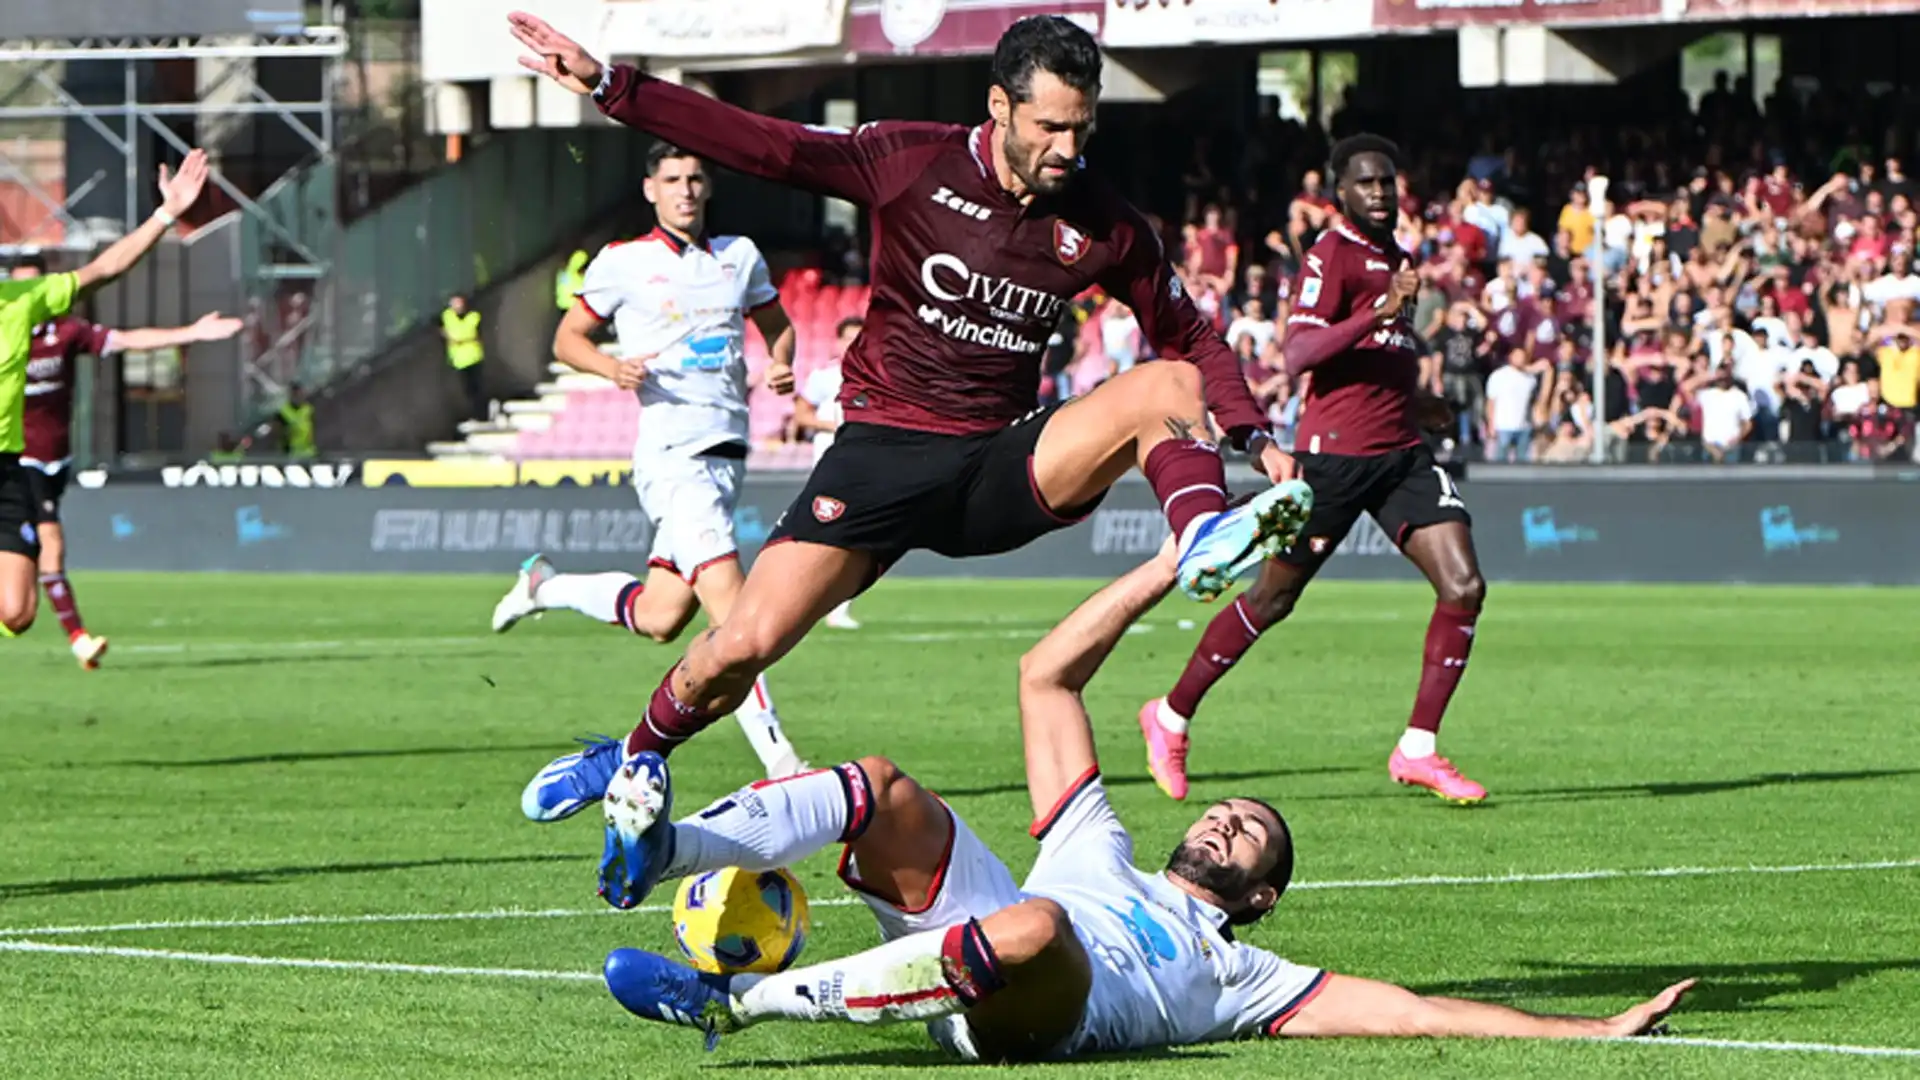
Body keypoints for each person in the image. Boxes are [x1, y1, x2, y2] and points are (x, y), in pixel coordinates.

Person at [507, 11, 1309, 824]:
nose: (1070, 148)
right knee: (739, 646)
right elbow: (764, 143)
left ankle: (1205, 533)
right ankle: (636, 755)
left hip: (998, 465)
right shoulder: (908, 160)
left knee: (1166, 380)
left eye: (1083, 126)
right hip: (883, 455)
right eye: (1051, 126)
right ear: (999, 106)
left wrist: (1255, 436)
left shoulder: (1104, 223)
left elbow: (1192, 337)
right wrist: (616, 88)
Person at [591, 546, 1696, 1057]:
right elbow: (1046, 675)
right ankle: (665, 843)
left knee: (1036, 923)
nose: (1225, 818)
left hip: (1036, 1002)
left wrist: (1587, 1027)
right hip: (978, 935)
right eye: (1228, 809)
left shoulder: (1247, 974)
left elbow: (1414, 1012)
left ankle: (732, 1005)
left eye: (1251, 833)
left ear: (1261, 897)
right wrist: (1175, 562)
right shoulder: (1101, 845)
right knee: (884, 786)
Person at [1141, 135, 1496, 806]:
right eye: (1366, 183)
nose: (1381, 193)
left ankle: (1417, 748)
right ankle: (1170, 716)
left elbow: (1377, 354)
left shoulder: (1399, 260)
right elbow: (1300, 351)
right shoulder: (1330, 255)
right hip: (1333, 460)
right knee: (1271, 601)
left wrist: (1418, 402)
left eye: (1388, 182)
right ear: (1341, 194)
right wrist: (1378, 309)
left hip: (1401, 457)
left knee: (1464, 584)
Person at [491, 143, 808, 783]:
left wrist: (779, 361)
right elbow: (567, 338)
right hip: (673, 459)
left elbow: (779, 326)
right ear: (650, 190)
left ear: (707, 186)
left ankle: (543, 587)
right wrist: (612, 366)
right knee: (738, 617)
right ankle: (782, 760)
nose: (685, 189)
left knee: (662, 617)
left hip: (724, 460)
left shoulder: (738, 257)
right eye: (672, 180)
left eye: (695, 178)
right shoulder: (623, 264)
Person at [1, 149, 212, 642]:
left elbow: (103, 269)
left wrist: (165, 214)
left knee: (17, 613)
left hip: (8, 469)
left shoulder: (21, 303)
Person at [8, 250, 241, 667]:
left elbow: (127, 340)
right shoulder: (7, 325)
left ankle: (74, 635)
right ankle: (78, 637)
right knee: (52, 544)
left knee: (28, 590)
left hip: (55, 459)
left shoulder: (65, 333)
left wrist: (190, 333)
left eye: (34, 284)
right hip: (16, 459)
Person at [792, 316, 865, 631]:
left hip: (862, 463)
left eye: (858, 338)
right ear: (837, 342)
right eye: (847, 338)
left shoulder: (875, 377)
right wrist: (833, 425)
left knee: (856, 536)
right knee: (822, 533)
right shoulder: (823, 378)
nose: (852, 344)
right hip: (827, 463)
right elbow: (801, 416)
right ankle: (803, 599)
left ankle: (838, 607)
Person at [442, 294, 486, 420]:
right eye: (455, 304)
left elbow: (478, 334)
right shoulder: (447, 316)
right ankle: (473, 414)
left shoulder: (473, 317)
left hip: (473, 357)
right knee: (466, 391)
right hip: (457, 360)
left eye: (460, 304)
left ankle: (480, 415)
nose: (458, 307)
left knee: (475, 389)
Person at [276, 382, 316, 459]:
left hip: (309, 453)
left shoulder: (309, 410)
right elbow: (278, 433)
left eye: (300, 394)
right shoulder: (283, 412)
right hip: (291, 454)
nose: (299, 397)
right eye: (296, 394)